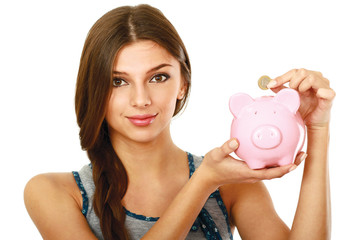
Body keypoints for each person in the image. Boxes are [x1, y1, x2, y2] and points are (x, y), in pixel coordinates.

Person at [24, 4, 335, 240]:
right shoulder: (54, 192)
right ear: (95, 88)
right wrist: (202, 182)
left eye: (158, 77)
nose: (141, 99)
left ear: (183, 83)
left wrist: (316, 128)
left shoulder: (232, 186)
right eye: (118, 82)